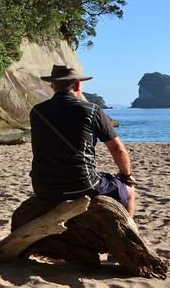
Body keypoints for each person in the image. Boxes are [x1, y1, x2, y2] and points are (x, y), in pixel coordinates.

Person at [29, 63, 136, 217]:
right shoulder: (92, 110)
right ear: (78, 85)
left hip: (43, 187)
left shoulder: (37, 112)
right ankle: (129, 235)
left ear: (52, 85)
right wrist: (126, 175)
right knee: (129, 191)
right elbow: (118, 149)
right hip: (82, 186)